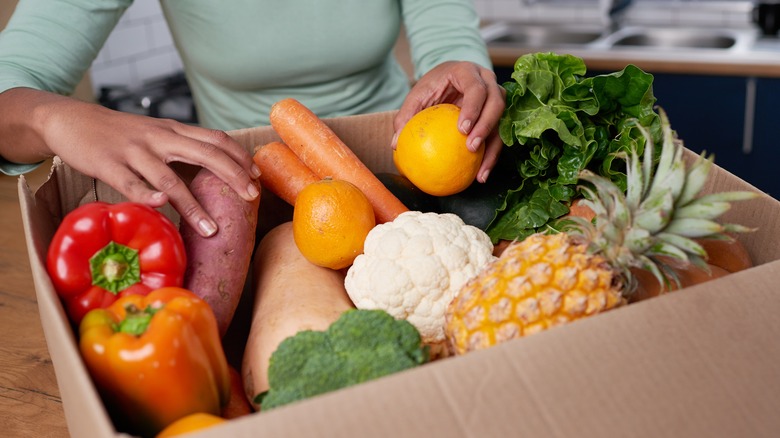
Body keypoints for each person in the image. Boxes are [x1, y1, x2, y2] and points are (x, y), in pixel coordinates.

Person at [0, 0, 505, 237]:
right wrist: (53, 119)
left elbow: (446, 29)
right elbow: (11, 78)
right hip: (252, 195)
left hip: (403, 173)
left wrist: (463, 73)